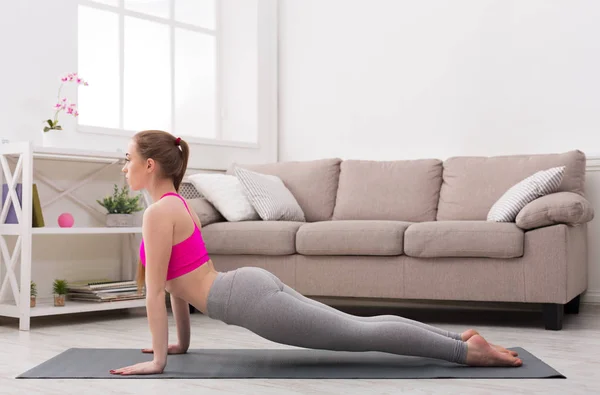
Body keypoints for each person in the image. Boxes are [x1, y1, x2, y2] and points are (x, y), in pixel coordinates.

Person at [109, 130, 523, 376]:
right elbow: (177, 288)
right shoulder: (177, 205)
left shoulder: (158, 213)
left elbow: (155, 294)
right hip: (245, 287)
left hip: (245, 300)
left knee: (358, 333)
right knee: (358, 324)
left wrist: (159, 362)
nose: (123, 167)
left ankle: (465, 352)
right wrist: (179, 345)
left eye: (127, 159)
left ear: (149, 165)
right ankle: (459, 338)